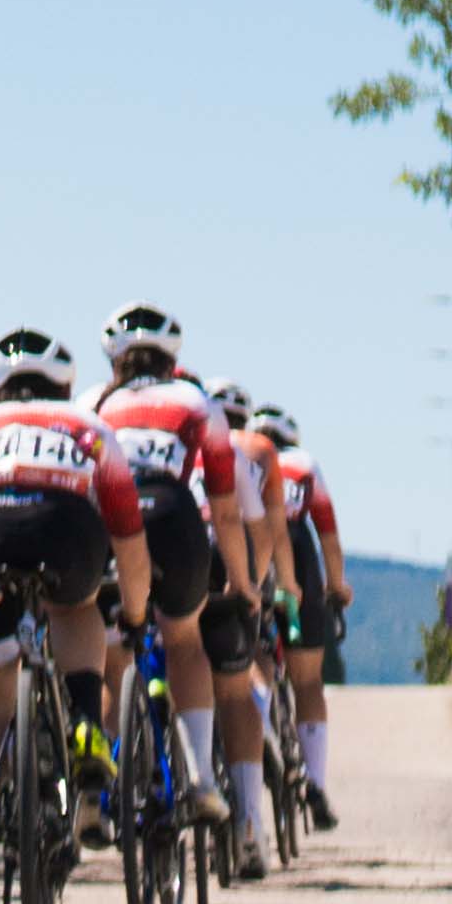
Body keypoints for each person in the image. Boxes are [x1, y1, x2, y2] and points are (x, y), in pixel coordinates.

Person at [86, 306, 282, 868]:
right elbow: (229, 512)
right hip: (178, 525)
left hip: (112, 526)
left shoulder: (98, 405)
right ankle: (204, 780)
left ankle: (97, 792)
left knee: (110, 658)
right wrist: (244, 583)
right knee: (189, 643)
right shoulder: (197, 405)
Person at [0, 331, 149, 843]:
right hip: (66, 529)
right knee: (76, 608)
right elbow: (129, 538)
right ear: (64, 385)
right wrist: (135, 614)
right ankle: (85, 722)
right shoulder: (90, 425)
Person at [238, 391, 350, 828]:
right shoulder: (304, 465)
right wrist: (337, 587)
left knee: (256, 658)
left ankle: (260, 716)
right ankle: (316, 784)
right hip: (298, 555)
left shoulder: (243, 457)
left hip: (248, 546)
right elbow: (328, 536)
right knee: (307, 681)